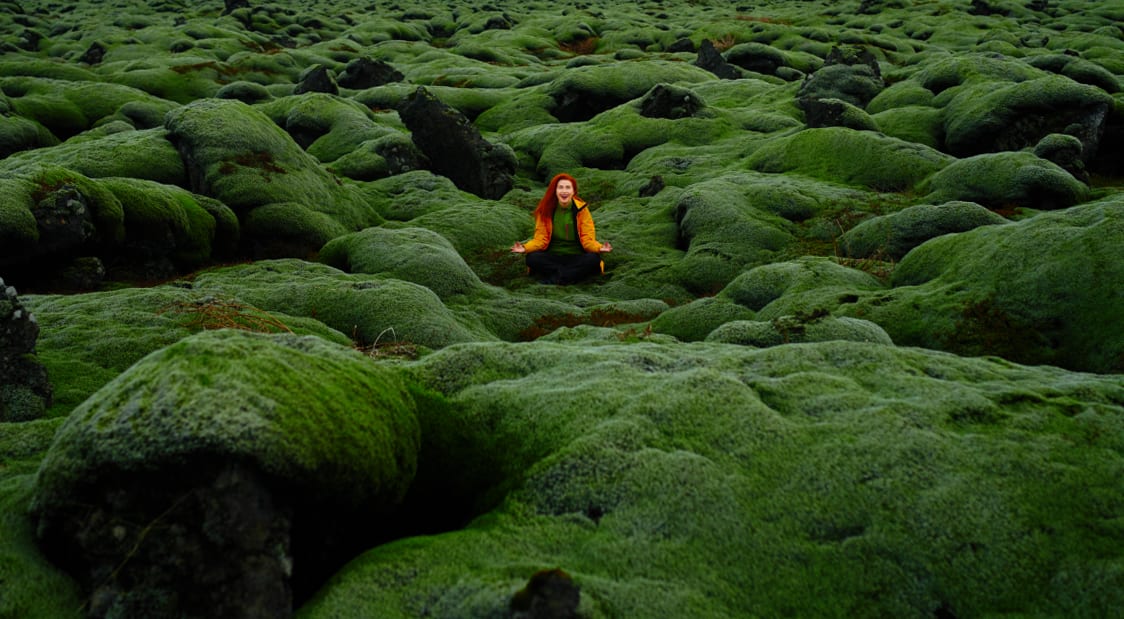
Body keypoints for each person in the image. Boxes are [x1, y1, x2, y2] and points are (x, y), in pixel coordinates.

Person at [511, 173, 613, 284]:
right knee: (531, 258)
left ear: (573, 191)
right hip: (553, 256)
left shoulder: (582, 210)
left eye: (568, 187)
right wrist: (524, 248)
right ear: (555, 191)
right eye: (560, 187)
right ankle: (569, 276)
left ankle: (556, 277)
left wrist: (600, 248)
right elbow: (540, 239)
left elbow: (587, 240)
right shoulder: (546, 210)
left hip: (576, 256)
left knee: (593, 259)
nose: (564, 191)